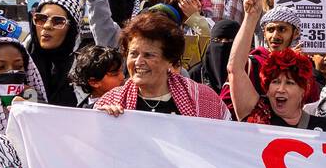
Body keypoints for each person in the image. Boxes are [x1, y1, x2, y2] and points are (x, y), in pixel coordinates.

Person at [97, 12, 230, 119]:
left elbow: (222, 143)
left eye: (149, 55)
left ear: (170, 60)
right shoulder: (111, 102)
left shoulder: (204, 100)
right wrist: (103, 122)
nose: (138, 62)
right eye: (133, 54)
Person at [225, 47, 326, 131]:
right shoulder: (256, 116)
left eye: (290, 83)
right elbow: (235, 69)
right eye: (275, 82)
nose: (280, 89)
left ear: (304, 90)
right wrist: (251, 18)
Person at [27, 0, 83, 107]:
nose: (47, 26)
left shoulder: (82, 67)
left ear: (71, 29)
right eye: (41, 19)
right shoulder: (22, 60)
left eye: (58, 21)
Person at [165, 0, 212, 69]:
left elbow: (208, 43)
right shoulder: (167, 24)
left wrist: (195, 18)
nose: (199, 4)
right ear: (181, 3)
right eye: (193, 1)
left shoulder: (208, 22)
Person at [189, 20, 239, 92]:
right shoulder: (196, 74)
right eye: (218, 40)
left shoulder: (249, 72)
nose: (223, 44)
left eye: (229, 40)